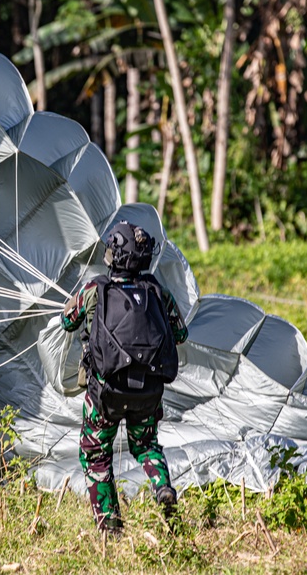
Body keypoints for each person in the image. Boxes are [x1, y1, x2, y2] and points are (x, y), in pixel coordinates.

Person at [61, 221, 188, 536]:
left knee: (96, 453)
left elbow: (67, 321)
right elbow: (181, 333)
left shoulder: (95, 289)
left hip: (105, 394)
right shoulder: (157, 291)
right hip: (148, 391)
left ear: (113, 255)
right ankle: (161, 486)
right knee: (146, 444)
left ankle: (110, 528)